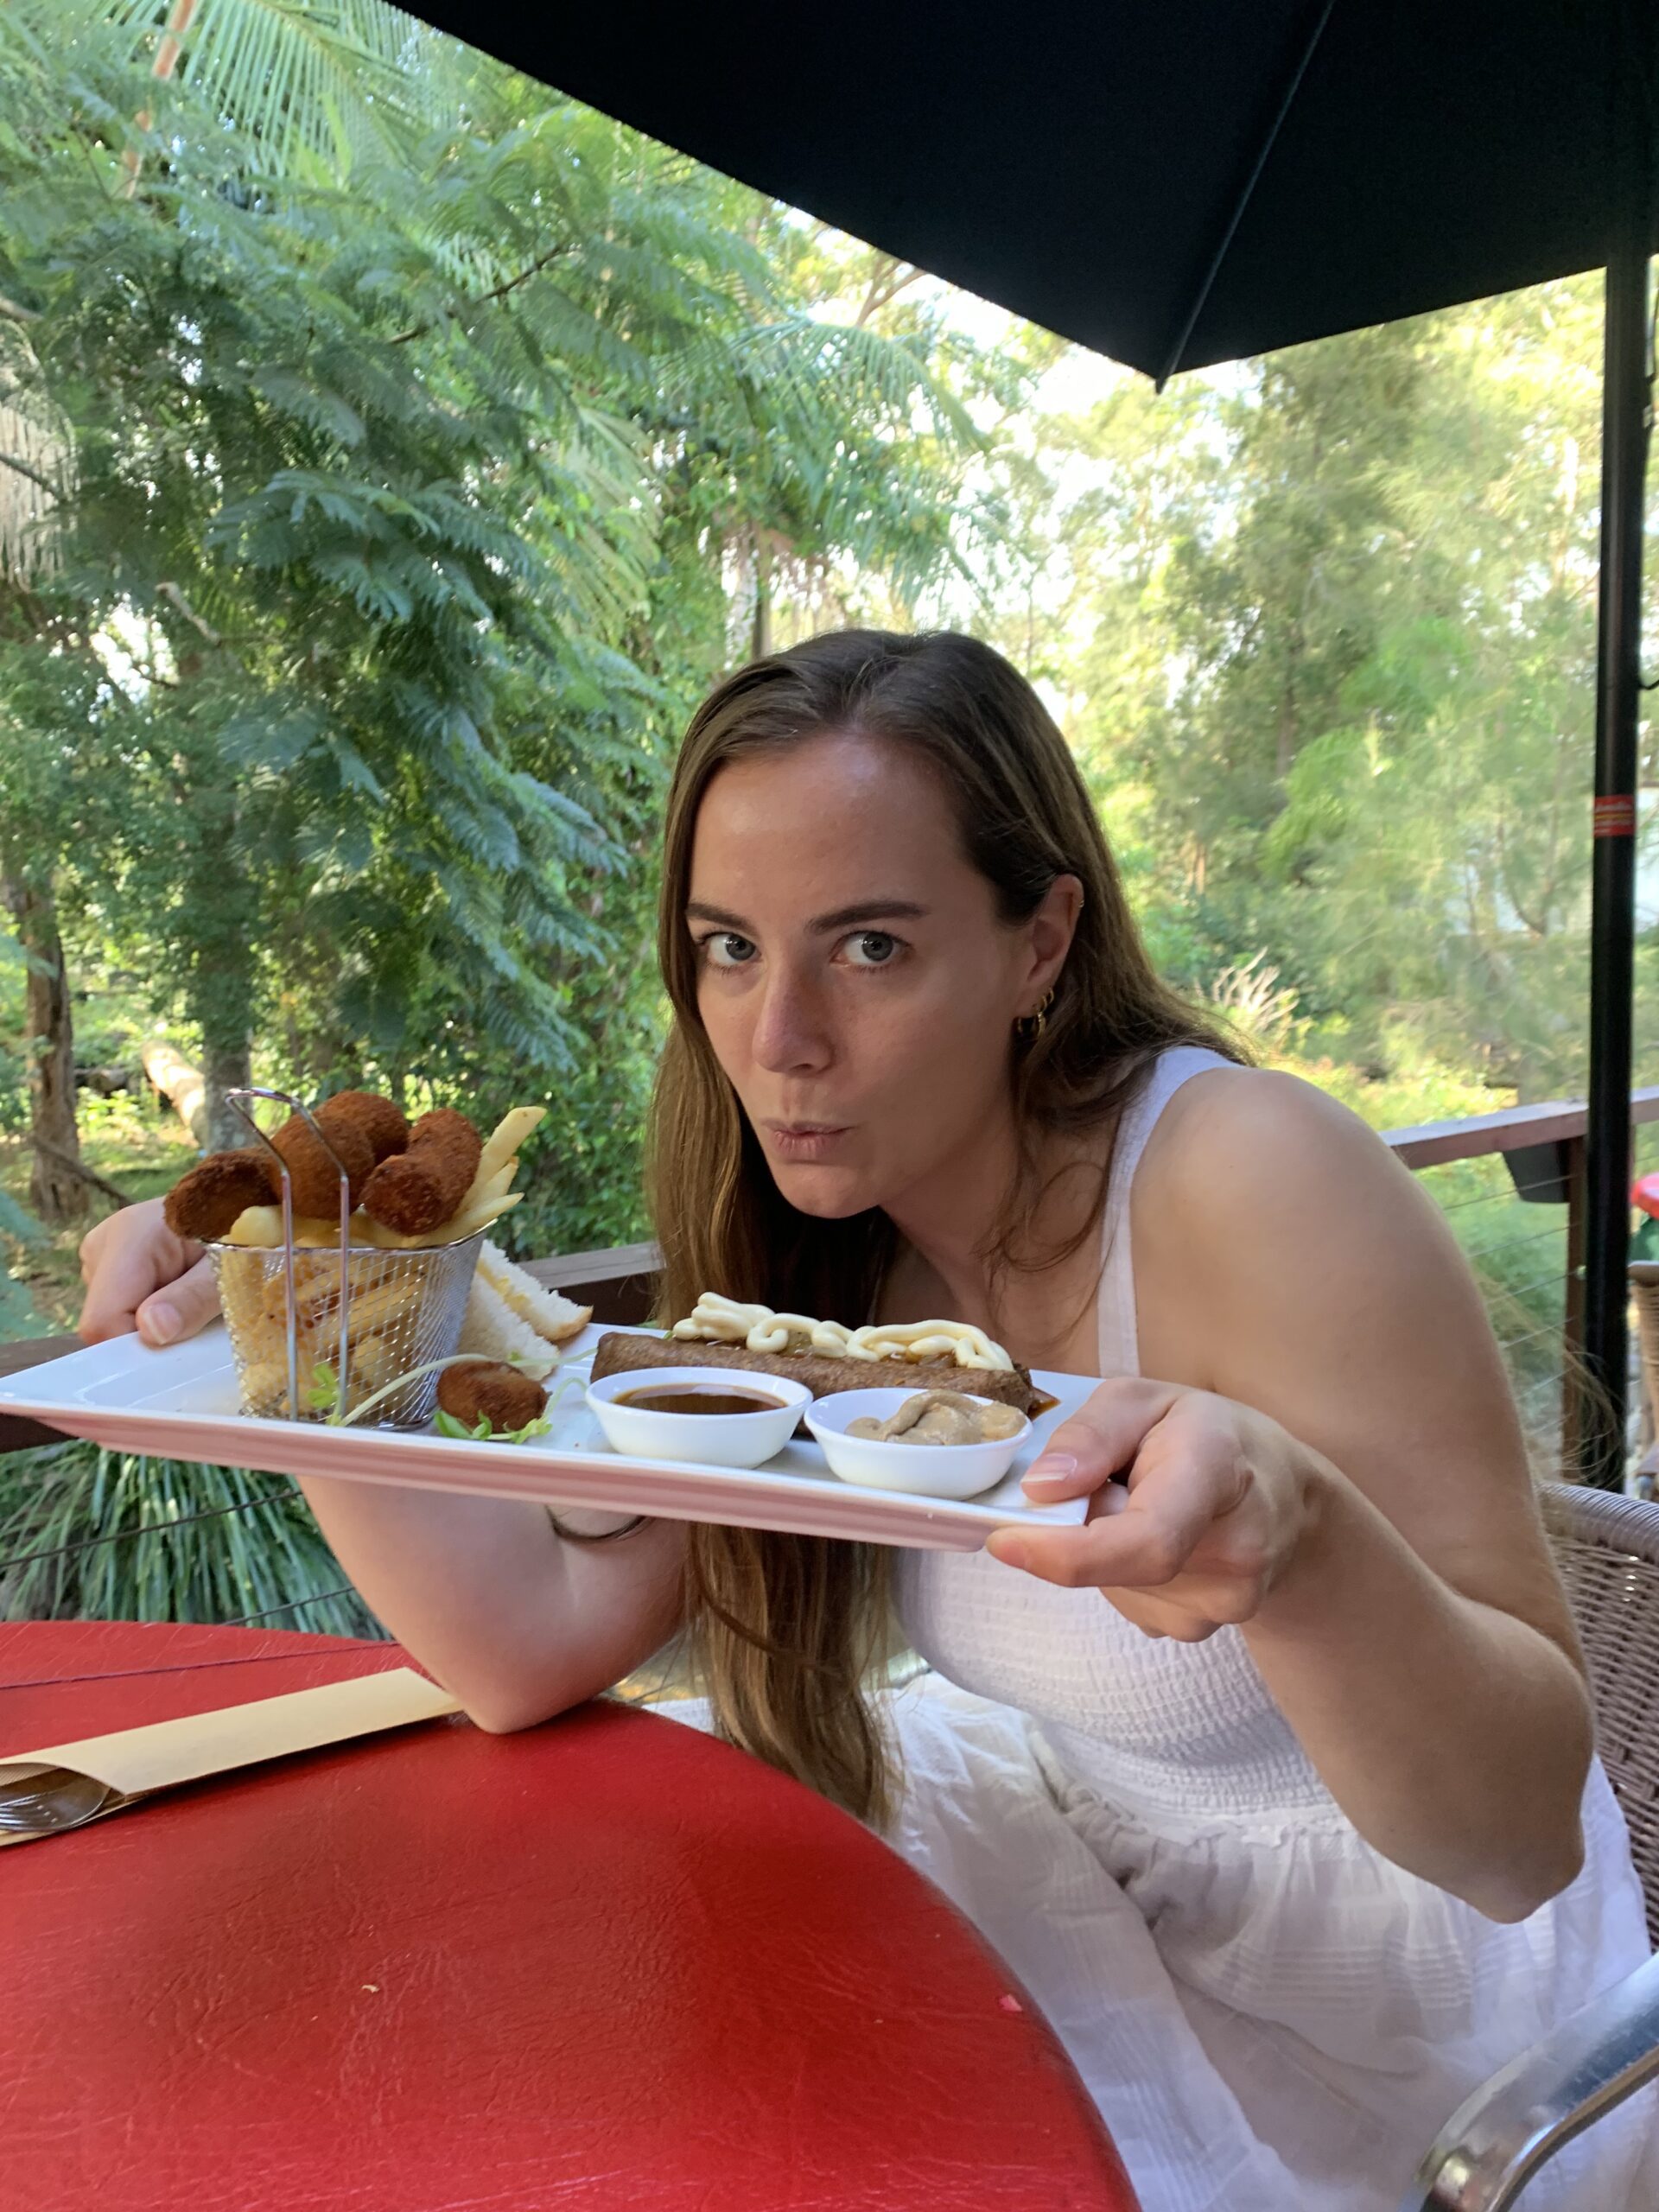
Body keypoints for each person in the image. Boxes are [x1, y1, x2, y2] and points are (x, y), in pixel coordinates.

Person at [79, 630, 1656, 2210]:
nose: (780, 1040)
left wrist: (1300, 1550)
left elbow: (1521, 1840)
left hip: (1424, 2072)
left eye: (873, 948)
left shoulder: (1251, 1175)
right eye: (729, 948)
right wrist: (295, 1323)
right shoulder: (825, 1273)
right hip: (1109, 1937)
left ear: (1041, 944)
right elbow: (525, 1651)